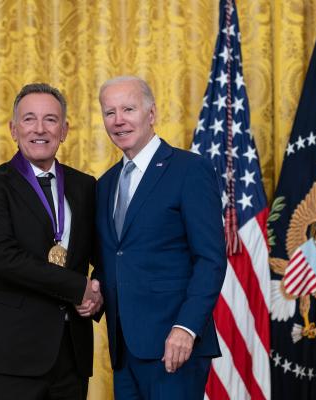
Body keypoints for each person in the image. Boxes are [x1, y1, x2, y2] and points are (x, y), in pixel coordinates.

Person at [95, 76, 227, 399]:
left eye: (128, 109)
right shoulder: (105, 184)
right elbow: (115, 257)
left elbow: (210, 259)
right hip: (124, 350)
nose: (118, 120)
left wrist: (186, 327)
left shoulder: (189, 169)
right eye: (109, 112)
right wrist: (93, 292)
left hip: (175, 347)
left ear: (151, 113)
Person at [0, 83, 103, 400]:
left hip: (71, 352)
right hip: (10, 354)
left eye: (51, 119)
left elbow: (104, 254)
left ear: (65, 129)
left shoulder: (85, 186)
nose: (40, 129)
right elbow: (4, 258)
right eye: (29, 119)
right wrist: (77, 287)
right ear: (14, 129)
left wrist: (97, 292)